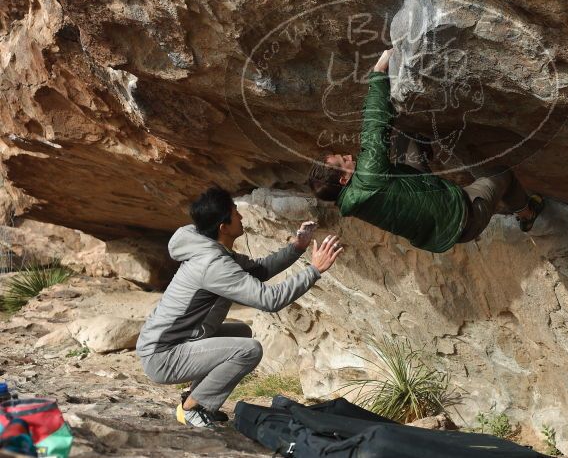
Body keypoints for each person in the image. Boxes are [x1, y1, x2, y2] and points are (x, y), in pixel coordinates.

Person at [135, 187, 343, 428]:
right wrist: (314, 270)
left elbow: (259, 270)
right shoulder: (213, 265)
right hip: (163, 357)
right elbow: (270, 300)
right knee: (249, 350)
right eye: (236, 213)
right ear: (223, 227)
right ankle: (192, 408)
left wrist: (297, 246)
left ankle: (194, 398)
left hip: (170, 344)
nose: (241, 217)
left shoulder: (209, 246)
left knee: (241, 332)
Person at [308, 49, 544, 254]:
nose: (349, 156)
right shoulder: (368, 176)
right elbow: (374, 125)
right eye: (343, 160)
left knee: (405, 137)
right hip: (464, 217)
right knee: (502, 174)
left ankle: (428, 153)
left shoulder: (350, 200)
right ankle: (526, 214)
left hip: (428, 210)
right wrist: (378, 72)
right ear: (343, 177)